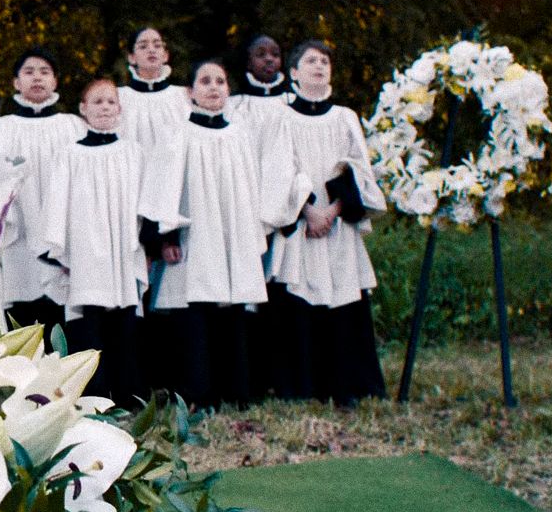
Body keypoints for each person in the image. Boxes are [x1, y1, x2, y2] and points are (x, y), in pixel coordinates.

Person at [139, 59, 281, 409]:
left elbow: (251, 188)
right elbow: (161, 188)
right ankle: (197, 394)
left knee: (232, 309)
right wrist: (166, 237)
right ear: (190, 92)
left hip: (232, 235)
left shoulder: (239, 135)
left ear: (229, 90)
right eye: (205, 81)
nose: (214, 87)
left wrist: (250, 234)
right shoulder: (178, 134)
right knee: (195, 312)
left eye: (220, 81)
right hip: (193, 238)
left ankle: (235, 391)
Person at [258, 40, 387, 405]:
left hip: (338, 223)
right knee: (299, 297)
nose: (319, 66)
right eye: (310, 61)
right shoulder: (281, 118)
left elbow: (360, 168)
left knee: (343, 297)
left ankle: (348, 386)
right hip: (301, 224)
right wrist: (307, 210)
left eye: (325, 61)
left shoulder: (345, 116)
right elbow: (276, 171)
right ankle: (302, 386)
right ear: (294, 72)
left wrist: (335, 209)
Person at [41, 79, 146, 406]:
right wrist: (59, 249)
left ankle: (130, 396)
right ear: (83, 109)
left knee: (125, 323)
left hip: (122, 249)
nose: (104, 107)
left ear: (120, 109)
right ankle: (96, 399)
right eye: (96, 102)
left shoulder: (134, 151)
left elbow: (144, 201)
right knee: (89, 323)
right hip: (85, 252)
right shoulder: (70, 154)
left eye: (110, 102)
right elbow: (57, 202)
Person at [0, 47, 83, 335]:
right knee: (22, 312)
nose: (37, 78)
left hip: (61, 234)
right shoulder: (1, 129)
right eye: (28, 72)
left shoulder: (73, 126)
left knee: (62, 312)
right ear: (15, 83)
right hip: (18, 237)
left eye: (44, 72)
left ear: (55, 81)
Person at [118, 27, 189, 147]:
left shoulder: (183, 96)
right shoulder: (119, 98)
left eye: (157, 45)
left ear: (165, 55)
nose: (151, 50)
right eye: (143, 46)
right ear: (132, 57)